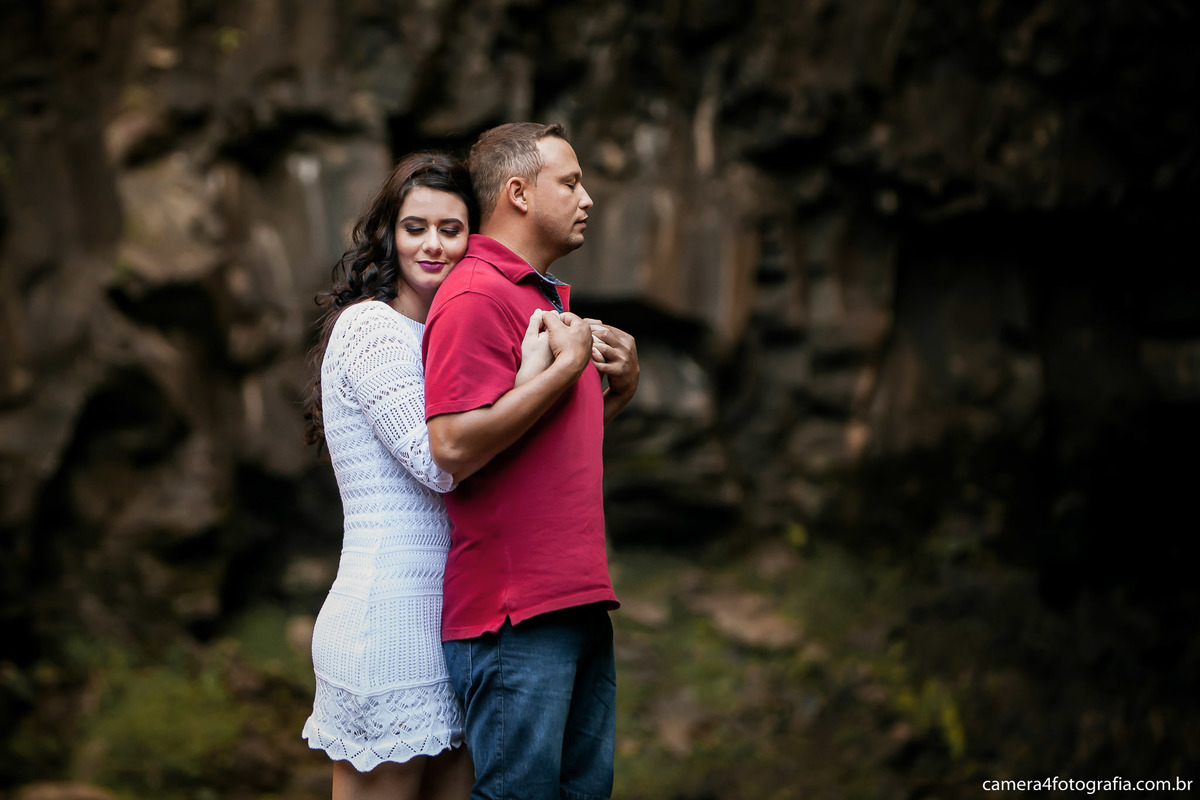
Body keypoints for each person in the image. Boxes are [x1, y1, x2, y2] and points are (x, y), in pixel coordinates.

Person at [299, 152, 556, 800]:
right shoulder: (372, 329)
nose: (434, 245)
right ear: (389, 233)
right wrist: (539, 375)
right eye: (416, 227)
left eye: (452, 228)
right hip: (389, 621)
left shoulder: (443, 334)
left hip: (451, 624)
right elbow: (440, 463)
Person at [421, 123, 640, 800]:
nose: (588, 198)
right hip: (513, 617)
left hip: (574, 605)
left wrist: (618, 387)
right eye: (570, 182)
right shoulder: (475, 294)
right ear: (518, 192)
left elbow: (541, 452)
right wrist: (568, 366)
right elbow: (453, 445)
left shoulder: (537, 297)